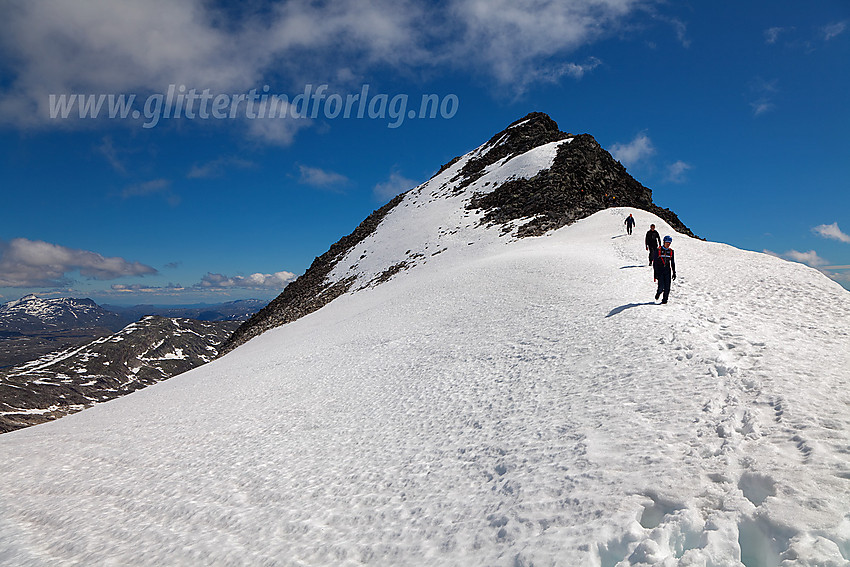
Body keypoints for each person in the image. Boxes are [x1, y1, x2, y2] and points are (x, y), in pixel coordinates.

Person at [653, 235, 677, 304]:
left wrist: (674, 272)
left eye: (669, 243)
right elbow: (655, 263)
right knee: (661, 286)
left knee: (667, 287)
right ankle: (658, 293)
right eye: (667, 242)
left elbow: (672, 262)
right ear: (664, 242)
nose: (668, 244)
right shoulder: (658, 250)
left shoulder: (671, 251)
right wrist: (655, 274)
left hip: (667, 270)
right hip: (660, 270)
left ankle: (664, 301)